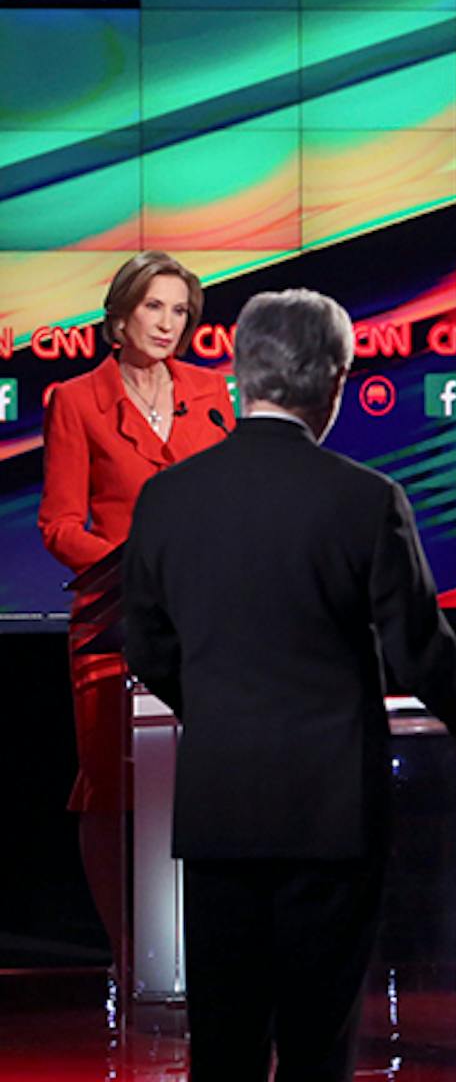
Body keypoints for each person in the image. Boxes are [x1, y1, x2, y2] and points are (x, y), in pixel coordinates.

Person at [122, 289, 456, 1082]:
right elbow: (417, 647)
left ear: (240, 374)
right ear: (334, 381)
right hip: (330, 809)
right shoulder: (365, 499)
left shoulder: (167, 497)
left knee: (224, 1040)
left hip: (220, 803)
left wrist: (221, 705)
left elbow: (146, 645)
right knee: (316, 1038)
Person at [37, 251, 231, 952]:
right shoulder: (75, 399)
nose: (168, 323)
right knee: (112, 789)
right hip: (113, 622)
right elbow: (58, 524)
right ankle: (134, 951)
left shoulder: (210, 390)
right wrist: (135, 568)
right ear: (119, 315)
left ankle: (201, 949)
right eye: (155, 306)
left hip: (206, 621)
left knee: (207, 786)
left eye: (180, 311)